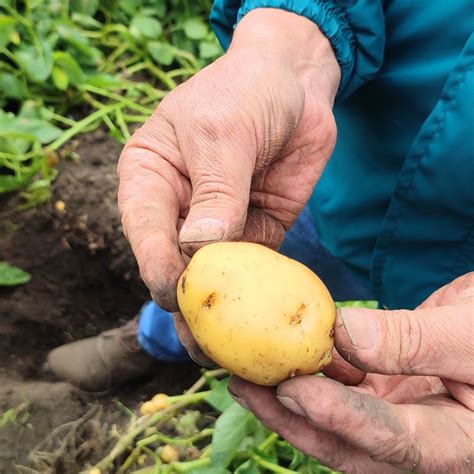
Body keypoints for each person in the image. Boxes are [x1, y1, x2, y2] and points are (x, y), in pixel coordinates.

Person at [48, 2, 474, 472]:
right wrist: (288, 38)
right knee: (208, 272)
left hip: (453, 283)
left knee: (238, 293)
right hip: (343, 191)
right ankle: (148, 340)